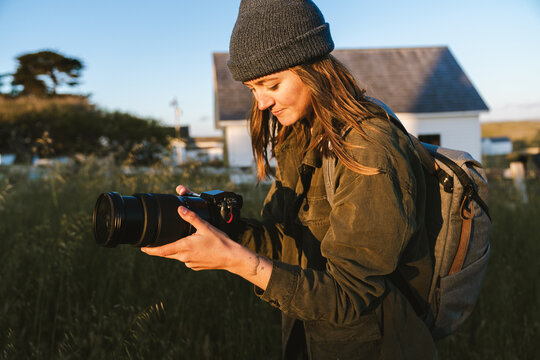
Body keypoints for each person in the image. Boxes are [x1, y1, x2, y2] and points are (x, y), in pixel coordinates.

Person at [141, 0, 437, 358]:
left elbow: (351, 294)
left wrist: (237, 261)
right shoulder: (299, 137)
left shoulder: (370, 149)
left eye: (271, 84)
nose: (262, 102)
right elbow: (291, 246)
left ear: (313, 68)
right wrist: (215, 227)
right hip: (311, 342)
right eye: (252, 89)